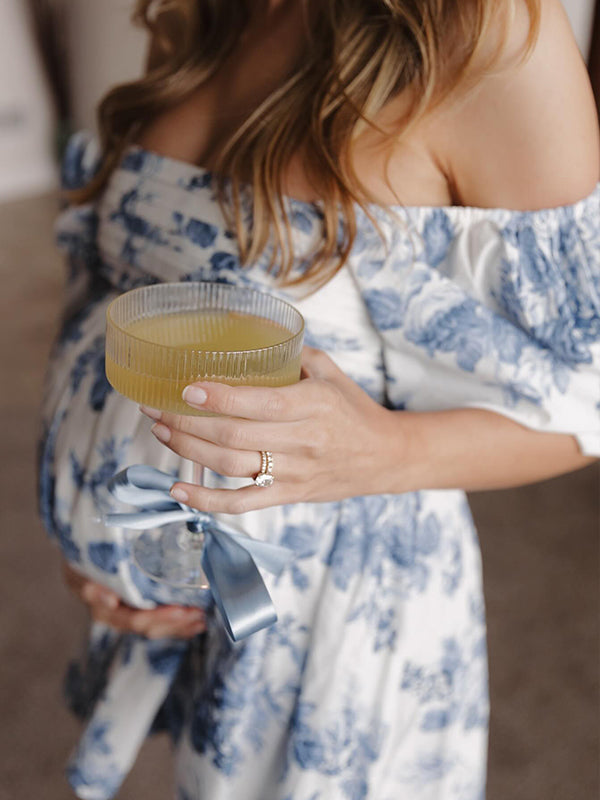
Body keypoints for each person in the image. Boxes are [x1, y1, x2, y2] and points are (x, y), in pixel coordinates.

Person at [39, 1, 600, 798]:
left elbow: (587, 396)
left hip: (332, 629)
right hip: (180, 600)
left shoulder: (491, 32)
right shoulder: (214, 12)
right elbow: (116, 292)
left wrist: (381, 452)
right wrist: (104, 544)